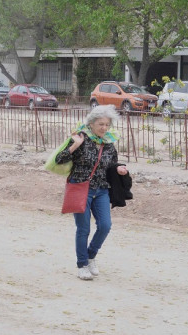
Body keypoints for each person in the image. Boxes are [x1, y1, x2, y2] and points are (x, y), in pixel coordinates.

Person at [55, 105, 129, 280]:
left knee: (105, 226)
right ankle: (82, 265)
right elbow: (59, 159)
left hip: (101, 190)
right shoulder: (81, 138)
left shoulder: (109, 144)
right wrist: (75, 146)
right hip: (80, 188)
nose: (104, 128)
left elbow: (111, 166)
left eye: (107, 125)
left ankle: (90, 256)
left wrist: (119, 170)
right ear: (91, 124)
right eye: (100, 124)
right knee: (83, 228)